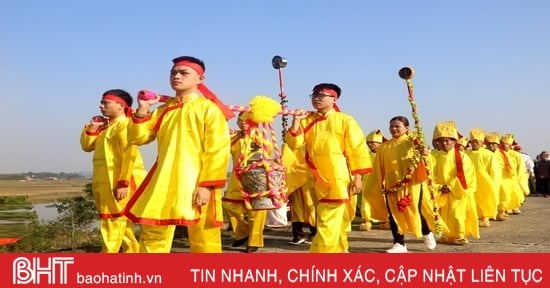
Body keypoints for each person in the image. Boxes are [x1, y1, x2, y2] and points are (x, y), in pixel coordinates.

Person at [124, 56, 232, 253]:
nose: (177, 76)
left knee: (204, 237)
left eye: (184, 72)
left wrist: (207, 185)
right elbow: (139, 138)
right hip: (164, 179)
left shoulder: (208, 108)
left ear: (200, 79)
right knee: (153, 232)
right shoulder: (163, 110)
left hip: (197, 180)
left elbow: (218, 150)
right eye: (173, 72)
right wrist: (143, 109)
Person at [285, 83, 371, 253]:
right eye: (314, 95)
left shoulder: (345, 120)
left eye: (321, 95)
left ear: (334, 99)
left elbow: (357, 149)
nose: (316, 98)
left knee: (326, 221)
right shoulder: (307, 120)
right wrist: (296, 121)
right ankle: (341, 251)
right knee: (332, 220)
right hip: (314, 177)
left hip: (336, 176)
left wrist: (358, 176)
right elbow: (294, 144)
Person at [80, 89, 146, 253]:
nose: (101, 106)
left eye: (105, 103)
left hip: (119, 182)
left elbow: (129, 155)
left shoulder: (125, 126)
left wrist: (123, 183)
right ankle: (133, 253)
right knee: (120, 223)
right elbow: (87, 146)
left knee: (112, 221)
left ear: (121, 106)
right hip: (103, 181)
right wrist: (94, 128)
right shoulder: (105, 127)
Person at [372, 116, 439, 253]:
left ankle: (426, 232)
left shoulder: (413, 142)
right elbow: (379, 168)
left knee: (414, 210)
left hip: (412, 183)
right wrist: (380, 185)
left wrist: (425, 153)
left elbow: (427, 162)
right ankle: (399, 243)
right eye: (391, 126)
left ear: (406, 128)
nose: (394, 129)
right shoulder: (384, 147)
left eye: (397, 126)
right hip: (392, 185)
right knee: (393, 213)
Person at [222, 112, 267, 253]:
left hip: (257, 179)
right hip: (237, 178)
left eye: (247, 120)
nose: (242, 123)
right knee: (229, 205)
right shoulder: (233, 138)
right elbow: (221, 148)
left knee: (257, 212)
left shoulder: (260, 138)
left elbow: (267, 153)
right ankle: (243, 233)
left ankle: (254, 241)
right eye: (240, 120)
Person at [432, 122, 479, 245]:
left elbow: (466, 175)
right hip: (441, 191)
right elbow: (431, 175)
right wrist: (439, 187)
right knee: (443, 215)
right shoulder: (435, 157)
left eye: (447, 140)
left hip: (458, 192)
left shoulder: (463, 157)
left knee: (457, 214)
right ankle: (448, 235)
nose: (444, 143)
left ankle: (460, 235)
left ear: (454, 141)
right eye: (441, 141)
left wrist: (450, 186)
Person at [466, 128, 500, 228]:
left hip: (485, 182)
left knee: (485, 200)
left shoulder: (488, 154)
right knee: (472, 200)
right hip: (470, 181)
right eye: (472, 142)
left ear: (481, 143)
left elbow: (494, 171)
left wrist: (494, 184)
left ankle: (485, 218)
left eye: (477, 142)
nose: (474, 144)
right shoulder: (466, 154)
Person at [359, 129, 389, 231]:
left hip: (381, 182)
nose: (371, 145)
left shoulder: (385, 154)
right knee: (366, 201)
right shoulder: (365, 155)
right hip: (367, 183)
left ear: (380, 143)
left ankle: (387, 221)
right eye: (369, 143)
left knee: (384, 201)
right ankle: (367, 221)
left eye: (373, 143)